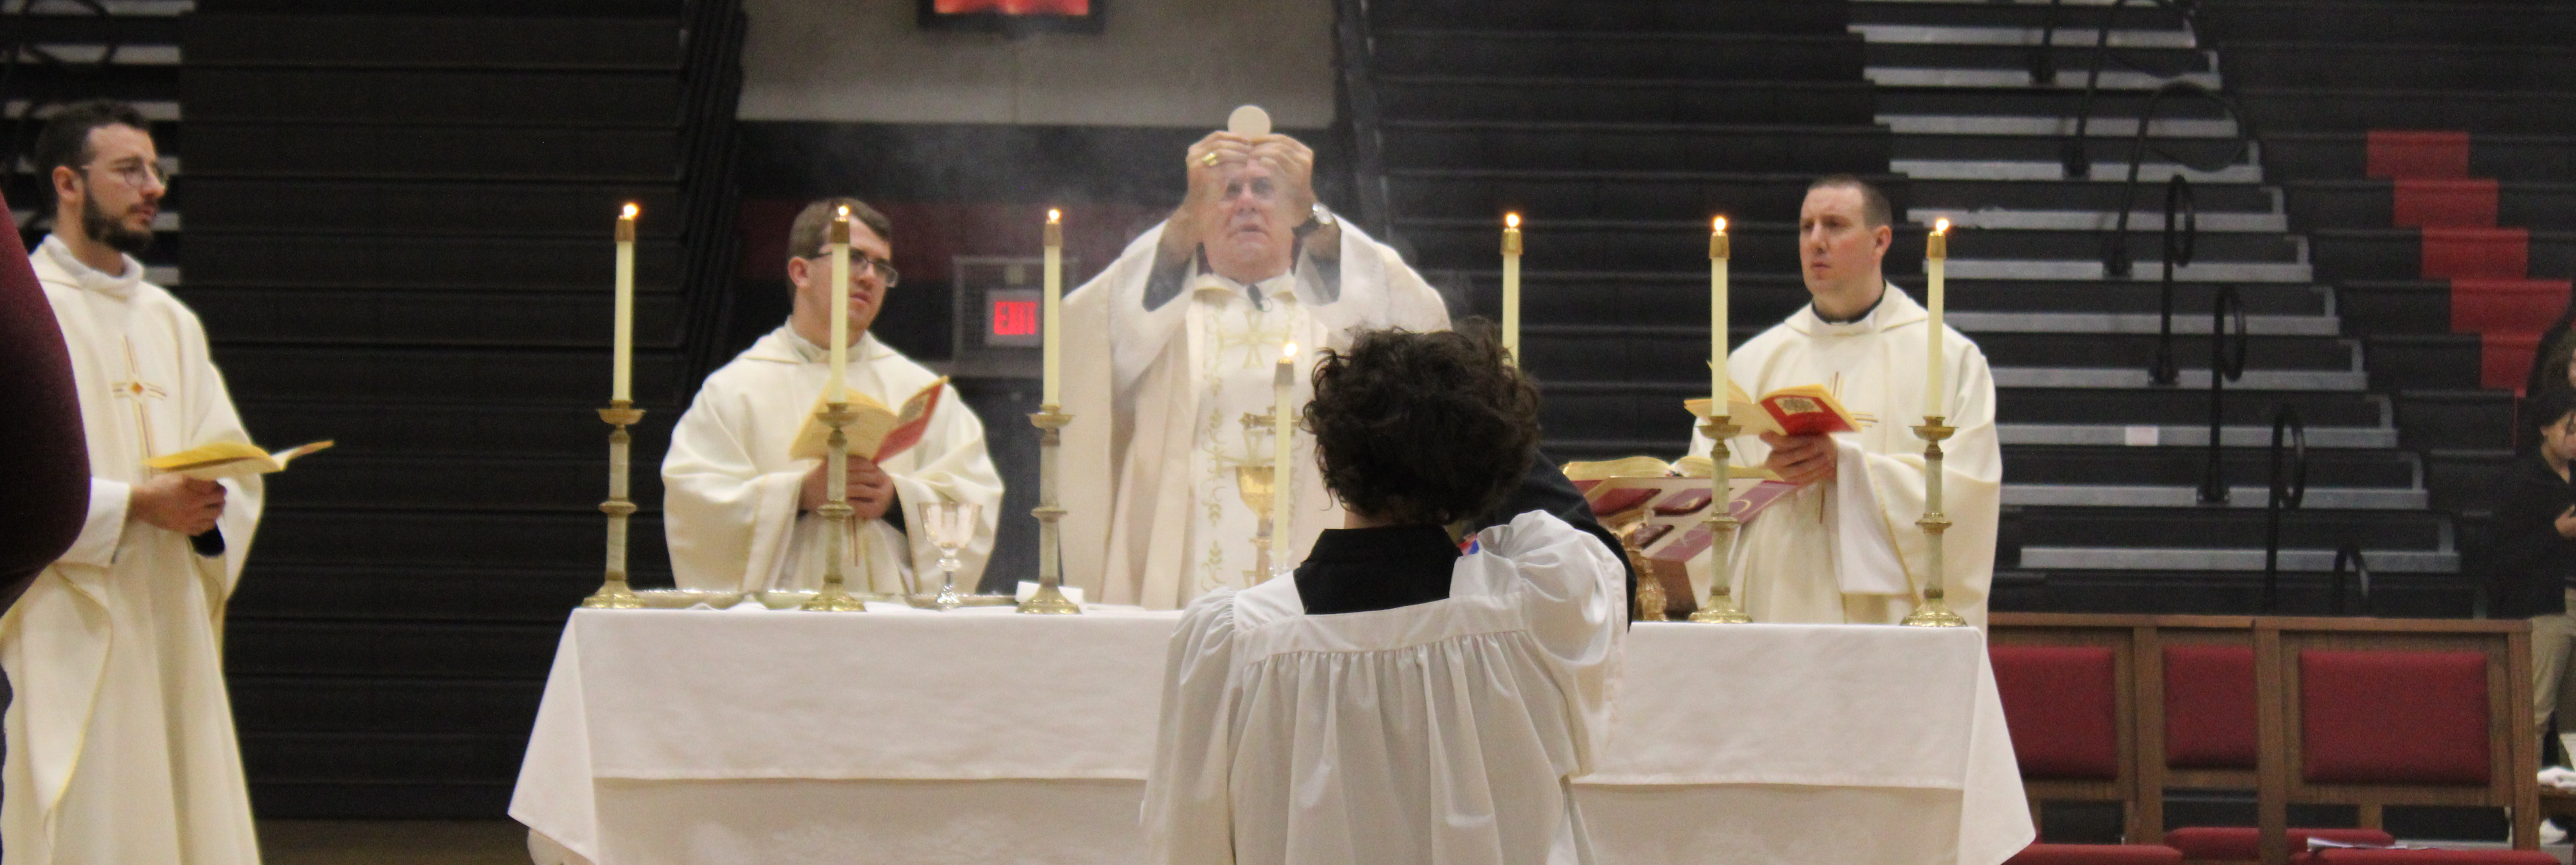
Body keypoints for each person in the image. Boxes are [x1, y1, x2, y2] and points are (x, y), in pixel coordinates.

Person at [1143, 325, 1624, 865]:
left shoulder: (1232, 643)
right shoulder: (1535, 605)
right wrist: (1477, 428)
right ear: (1495, 472)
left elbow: (1186, 844)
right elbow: (1598, 551)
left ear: (1328, 455)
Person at [6, 99, 266, 865]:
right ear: (68, 182)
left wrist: (210, 502)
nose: (153, 185)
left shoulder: (168, 319)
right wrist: (131, 506)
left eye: (155, 168)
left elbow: (231, 467)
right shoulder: (26, 312)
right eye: (129, 169)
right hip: (60, 619)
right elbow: (12, 479)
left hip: (166, 618)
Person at [1057, 127, 1451, 610]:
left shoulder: (1336, 318)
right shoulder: (1164, 323)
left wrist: (1315, 218)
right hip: (1180, 587)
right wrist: (1184, 220)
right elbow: (1084, 341)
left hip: (1317, 569)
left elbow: (1420, 335)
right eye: (1226, 192)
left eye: (1264, 189)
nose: (1246, 203)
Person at [1683, 175, 2002, 626]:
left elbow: (1969, 491)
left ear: (1880, 241)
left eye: (1834, 225)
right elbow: (1707, 487)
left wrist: (1848, 467)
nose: (1816, 241)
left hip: (1886, 617)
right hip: (1779, 601)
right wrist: (1763, 478)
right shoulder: (1752, 362)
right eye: (1806, 226)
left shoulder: (1949, 359)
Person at [663, 197, 1002, 595]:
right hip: (779, 625)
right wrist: (798, 494)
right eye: (854, 258)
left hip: (892, 619)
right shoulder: (734, 391)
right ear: (801, 272)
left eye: (882, 267)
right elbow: (696, 508)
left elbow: (974, 502)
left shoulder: (918, 390)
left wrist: (895, 498)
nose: (870, 277)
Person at [2489, 385, 2576, 760]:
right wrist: (2555, 533)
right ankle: (2521, 813)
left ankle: (2567, 810)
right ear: (2545, 428)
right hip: (2546, 605)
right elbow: (2502, 556)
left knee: (2573, 723)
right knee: (2536, 713)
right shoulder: (2524, 480)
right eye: (2570, 429)